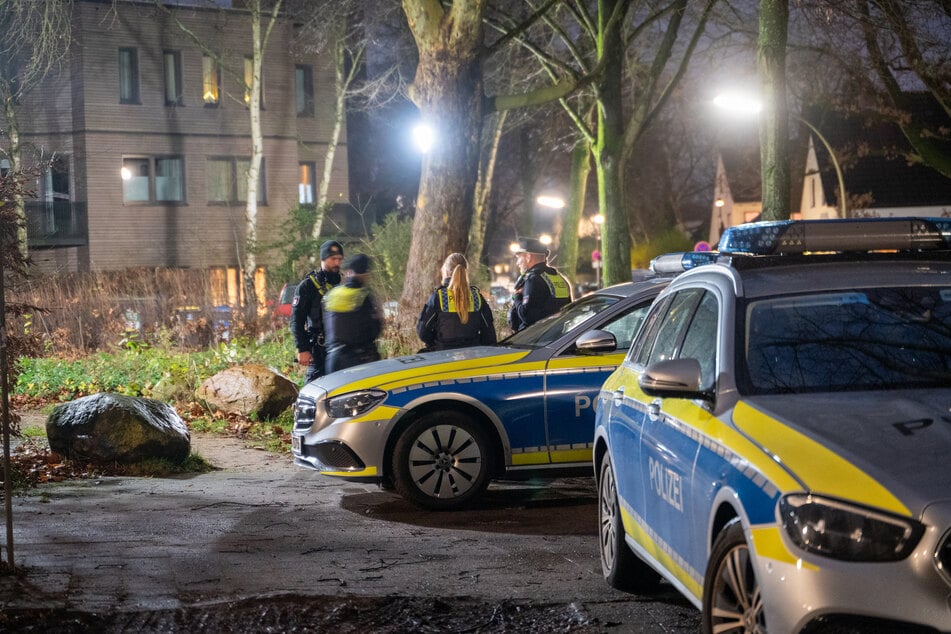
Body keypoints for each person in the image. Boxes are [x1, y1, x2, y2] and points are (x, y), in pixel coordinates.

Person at [417, 253, 497, 351]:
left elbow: (423, 332)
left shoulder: (438, 298)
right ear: (466, 272)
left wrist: (436, 343)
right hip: (473, 357)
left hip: (443, 357)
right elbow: (489, 335)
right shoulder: (477, 298)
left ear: (446, 272)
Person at [290, 240, 344, 383]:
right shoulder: (307, 286)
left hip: (342, 350)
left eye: (339, 259)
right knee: (314, 390)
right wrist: (303, 349)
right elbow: (296, 321)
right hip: (319, 349)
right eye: (333, 259)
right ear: (323, 259)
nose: (337, 263)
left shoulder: (343, 284)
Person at [323, 253, 382, 373]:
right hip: (359, 360)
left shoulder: (332, 294)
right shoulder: (363, 296)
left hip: (333, 360)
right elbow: (375, 329)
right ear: (365, 273)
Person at [507, 236, 573, 332]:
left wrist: (517, 297)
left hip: (534, 339)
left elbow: (527, 316)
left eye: (519, 258)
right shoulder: (559, 278)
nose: (517, 263)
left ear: (528, 257)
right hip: (557, 336)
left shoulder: (533, 279)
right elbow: (568, 310)